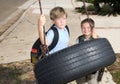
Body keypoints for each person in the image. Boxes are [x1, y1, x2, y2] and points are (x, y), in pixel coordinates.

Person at [76, 18, 104, 84]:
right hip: (82, 68)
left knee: (92, 82)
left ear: (93, 28)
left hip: (93, 69)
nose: (86, 30)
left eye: (88, 28)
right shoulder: (79, 39)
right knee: (80, 82)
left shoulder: (97, 38)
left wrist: (96, 39)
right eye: (83, 28)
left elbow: (101, 50)